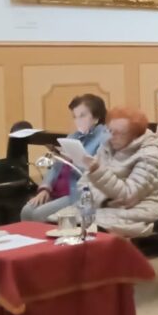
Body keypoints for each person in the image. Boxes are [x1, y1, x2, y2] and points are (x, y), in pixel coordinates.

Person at [56, 107, 158, 237]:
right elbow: (83, 186)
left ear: (135, 135)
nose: (112, 137)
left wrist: (97, 172)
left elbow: (128, 196)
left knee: (85, 226)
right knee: (57, 221)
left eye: (119, 133)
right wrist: (104, 201)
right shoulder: (107, 146)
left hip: (140, 207)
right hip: (106, 206)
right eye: (110, 131)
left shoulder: (150, 154)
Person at [21, 94, 110, 222]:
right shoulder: (73, 136)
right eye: (75, 117)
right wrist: (45, 188)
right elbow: (55, 167)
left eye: (82, 116)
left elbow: (98, 174)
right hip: (56, 190)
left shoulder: (105, 139)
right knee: (27, 210)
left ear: (96, 117)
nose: (78, 121)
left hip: (78, 193)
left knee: (38, 214)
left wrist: (74, 160)